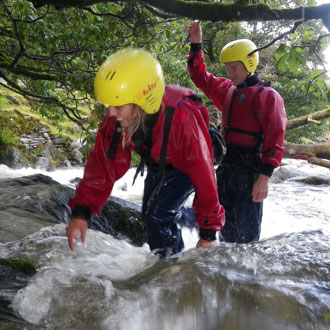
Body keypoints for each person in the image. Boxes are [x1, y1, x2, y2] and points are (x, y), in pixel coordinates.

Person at [66, 48, 225, 257]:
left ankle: (172, 270)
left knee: (157, 216)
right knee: (150, 215)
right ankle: (179, 238)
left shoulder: (182, 118)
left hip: (189, 162)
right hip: (159, 162)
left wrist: (209, 233)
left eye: (118, 106)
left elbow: (203, 175)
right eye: (109, 106)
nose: (111, 113)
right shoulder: (117, 119)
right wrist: (81, 212)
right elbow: (103, 167)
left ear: (142, 101)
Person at [187, 21, 286, 243]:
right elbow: (199, 77)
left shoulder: (268, 96)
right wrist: (196, 45)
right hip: (226, 170)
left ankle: (247, 277)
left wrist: (264, 178)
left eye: (235, 68)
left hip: (250, 173)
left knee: (247, 240)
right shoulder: (227, 91)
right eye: (228, 68)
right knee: (226, 235)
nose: (230, 74)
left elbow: (275, 140)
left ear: (249, 63)